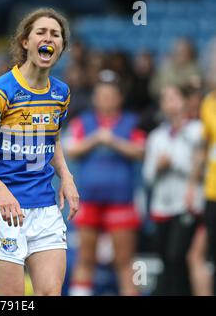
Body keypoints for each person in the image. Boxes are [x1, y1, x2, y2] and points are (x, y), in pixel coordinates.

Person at [0, 8, 79, 296]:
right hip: (0, 212)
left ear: (61, 46)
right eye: (41, 32)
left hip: (46, 209)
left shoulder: (60, 93)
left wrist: (66, 175)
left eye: (55, 34)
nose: (48, 38)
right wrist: (0, 190)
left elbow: (53, 138)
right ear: (25, 42)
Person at [65, 70, 145, 296]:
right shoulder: (84, 122)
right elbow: (71, 149)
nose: (106, 99)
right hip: (89, 201)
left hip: (121, 201)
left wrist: (114, 141)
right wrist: (97, 138)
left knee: (125, 261)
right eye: (102, 95)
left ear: (119, 98)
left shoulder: (132, 122)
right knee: (85, 259)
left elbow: (141, 151)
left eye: (111, 95)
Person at [143, 85, 204, 295]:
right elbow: (147, 176)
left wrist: (174, 163)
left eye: (174, 98)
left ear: (185, 101)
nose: (170, 103)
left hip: (186, 205)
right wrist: (158, 167)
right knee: (165, 258)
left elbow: (201, 169)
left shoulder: (197, 131)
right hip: (162, 207)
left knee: (177, 256)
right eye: (165, 99)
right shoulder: (156, 136)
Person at [188, 89, 216, 295]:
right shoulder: (208, 103)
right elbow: (204, 148)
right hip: (211, 193)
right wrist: (191, 184)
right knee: (201, 256)